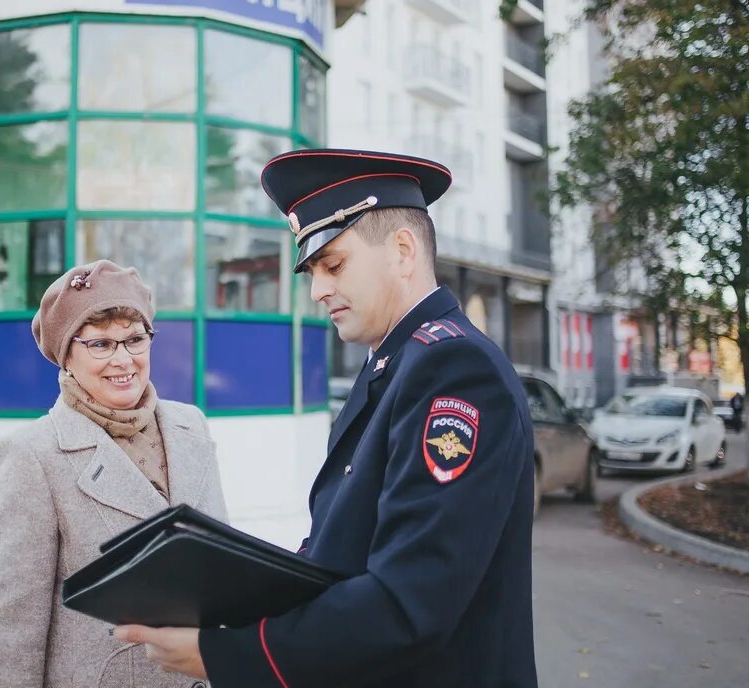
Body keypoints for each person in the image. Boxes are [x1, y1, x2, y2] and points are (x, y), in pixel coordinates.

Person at [113, 149, 537, 687]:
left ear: (403, 250)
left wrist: (226, 654)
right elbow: (342, 552)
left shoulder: (453, 370)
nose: (318, 290)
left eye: (334, 265)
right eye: (312, 271)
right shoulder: (397, 364)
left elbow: (409, 602)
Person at [0, 260, 228, 688]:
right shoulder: (31, 455)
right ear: (66, 355)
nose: (123, 359)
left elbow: (220, 567)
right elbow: (10, 629)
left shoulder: (191, 426)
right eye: (101, 345)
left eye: (134, 338)